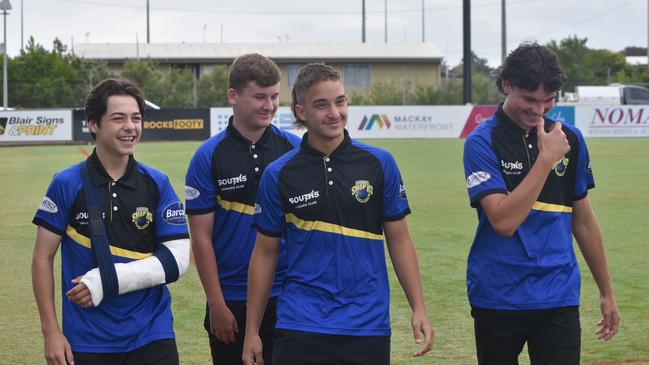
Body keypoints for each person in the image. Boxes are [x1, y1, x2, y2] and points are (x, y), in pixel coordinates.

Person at [242, 63, 434, 365]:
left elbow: (399, 240)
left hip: (366, 324)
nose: (335, 112)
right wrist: (252, 331)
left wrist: (418, 307)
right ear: (302, 112)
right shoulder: (278, 174)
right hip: (300, 324)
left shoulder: (380, 164)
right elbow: (265, 255)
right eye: (322, 104)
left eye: (340, 101)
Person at [463, 42, 620, 365]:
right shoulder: (481, 142)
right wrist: (545, 160)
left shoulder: (570, 140)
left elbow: (584, 220)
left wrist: (607, 292)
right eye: (530, 99)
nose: (539, 110)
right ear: (507, 85)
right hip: (498, 295)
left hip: (557, 295)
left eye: (548, 101)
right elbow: (504, 222)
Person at [31, 78, 190, 365]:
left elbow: (176, 261)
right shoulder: (66, 183)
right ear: (94, 124)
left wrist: (107, 280)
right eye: (119, 119)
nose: (130, 127)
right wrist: (51, 332)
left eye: (136, 118)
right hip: (89, 338)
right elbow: (42, 258)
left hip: (152, 334)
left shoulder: (158, 183)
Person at [185, 53, 300, 365]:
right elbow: (201, 239)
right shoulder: (208, 156)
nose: (269, 105)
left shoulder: (295, 150)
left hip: (288, 294)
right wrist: (216, 303)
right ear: (233, 97)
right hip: (232, 299)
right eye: (259, 96)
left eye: (275, 96)